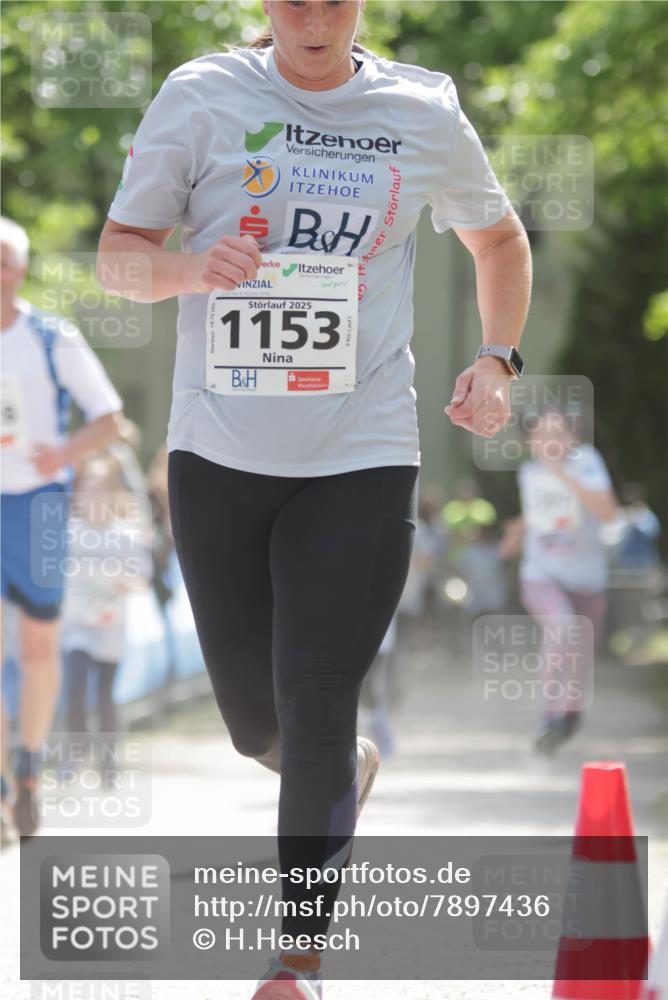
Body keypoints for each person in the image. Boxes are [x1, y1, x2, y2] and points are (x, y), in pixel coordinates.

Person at [96, 2, 531, 996]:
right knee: (259, 727)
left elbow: (497, 240)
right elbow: (119, 256)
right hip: (217, 451)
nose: (312, 14)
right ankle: (333, 770)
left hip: (361, 450)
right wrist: (185, 268)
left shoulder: (420, 109)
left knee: (318, 697)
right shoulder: (201, 95)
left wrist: (496, 359)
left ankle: (295, 959)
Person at [0, 216, 124, 841]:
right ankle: (3, 784)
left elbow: (109, 419)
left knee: (38, 649)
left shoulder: (52, 336)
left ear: (18, 271)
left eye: (0, 262)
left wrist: (62, 455)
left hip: (38, 506)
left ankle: (28, 766)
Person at [500, 406, 617, 755]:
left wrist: (563, 475)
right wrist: (516, 535)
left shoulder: (588, 462)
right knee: (564, 629)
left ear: (572, 437)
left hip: (587, 580)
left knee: (580, 653)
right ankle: (548, 718)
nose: (550, 442)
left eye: (558, 434)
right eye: (542, 435)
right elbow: (539, 512)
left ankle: (569, 714)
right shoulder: (528, 472)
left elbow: (608, 512)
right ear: (529, 441)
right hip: (541, 575)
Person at [60, 454, 152, 763]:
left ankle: (109, 761)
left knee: (104, 696)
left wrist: (127, 582)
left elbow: (143, 577)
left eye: (100, 490)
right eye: (87, 490)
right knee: (74, 687)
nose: (93, 498)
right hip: (75, 626)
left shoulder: (123, 534)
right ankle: (76, 754)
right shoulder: (65, 533)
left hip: (110, 628)